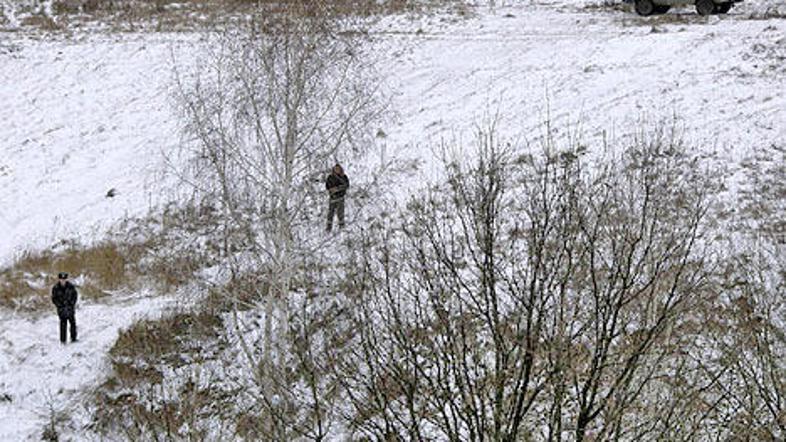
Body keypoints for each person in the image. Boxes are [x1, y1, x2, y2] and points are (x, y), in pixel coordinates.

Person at [51, 272, 78, 344]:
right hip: (61, 309)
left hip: (70, 308)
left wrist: (71, 304)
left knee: (72, 323)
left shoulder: (71, 287)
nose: (63, 280)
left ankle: (73, 338)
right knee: (63, 324)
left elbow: (75, 296)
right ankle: (63, 340)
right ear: (59, 279)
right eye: (61, 279)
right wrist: (59, 306)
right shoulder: (55, 288)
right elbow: (54, 299)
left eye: (64, 279)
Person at [325, 163, 350, 232]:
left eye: (338, 169)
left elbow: (347, 185)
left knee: (340, 213)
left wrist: (338, 189)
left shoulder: (344, 177)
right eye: (335, 169)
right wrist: (331, 190)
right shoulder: (330, 177)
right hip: (332, 197)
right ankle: (328, 228)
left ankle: (342, 227)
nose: (337, 170)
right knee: (330, 213)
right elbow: (327, 186)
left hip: (340, 198)